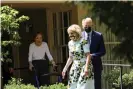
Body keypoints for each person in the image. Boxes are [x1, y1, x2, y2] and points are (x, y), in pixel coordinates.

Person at [62, 24, 94, 89]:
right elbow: (70, 57)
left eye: (72, 33)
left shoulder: (83, 42)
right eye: (69, 34)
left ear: (77, 33)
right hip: (75, 67)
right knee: (72, 86)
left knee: (82, 86)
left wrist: (86, 68)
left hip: (84, 66)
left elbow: (88, 55)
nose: (70, 35)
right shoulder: (70, 43)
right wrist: (65, 69)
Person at [82, 17, 106, 89]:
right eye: (85, 26)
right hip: (83, 65)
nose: (87, 27)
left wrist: (92, 55)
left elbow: (103, 51)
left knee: (96, 85)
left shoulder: (98, 36)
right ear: (83, 26)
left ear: (92, 25)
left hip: (96, 65)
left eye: (89, 26)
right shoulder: (80, 36)